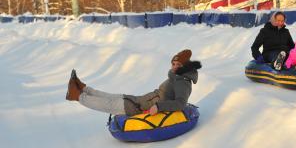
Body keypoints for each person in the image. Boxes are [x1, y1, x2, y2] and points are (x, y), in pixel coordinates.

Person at [65, 49, 202, 116]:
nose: (174, 66)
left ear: (184, 66)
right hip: (140, 100)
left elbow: (180, 103)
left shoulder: (182, 82)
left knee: (108, 104)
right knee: (112, 96)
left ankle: (77, 95)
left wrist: (159, 107)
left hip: (141, 108)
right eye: (173, 63)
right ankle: (84, 88)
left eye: (178, 64)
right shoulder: (176, 77)